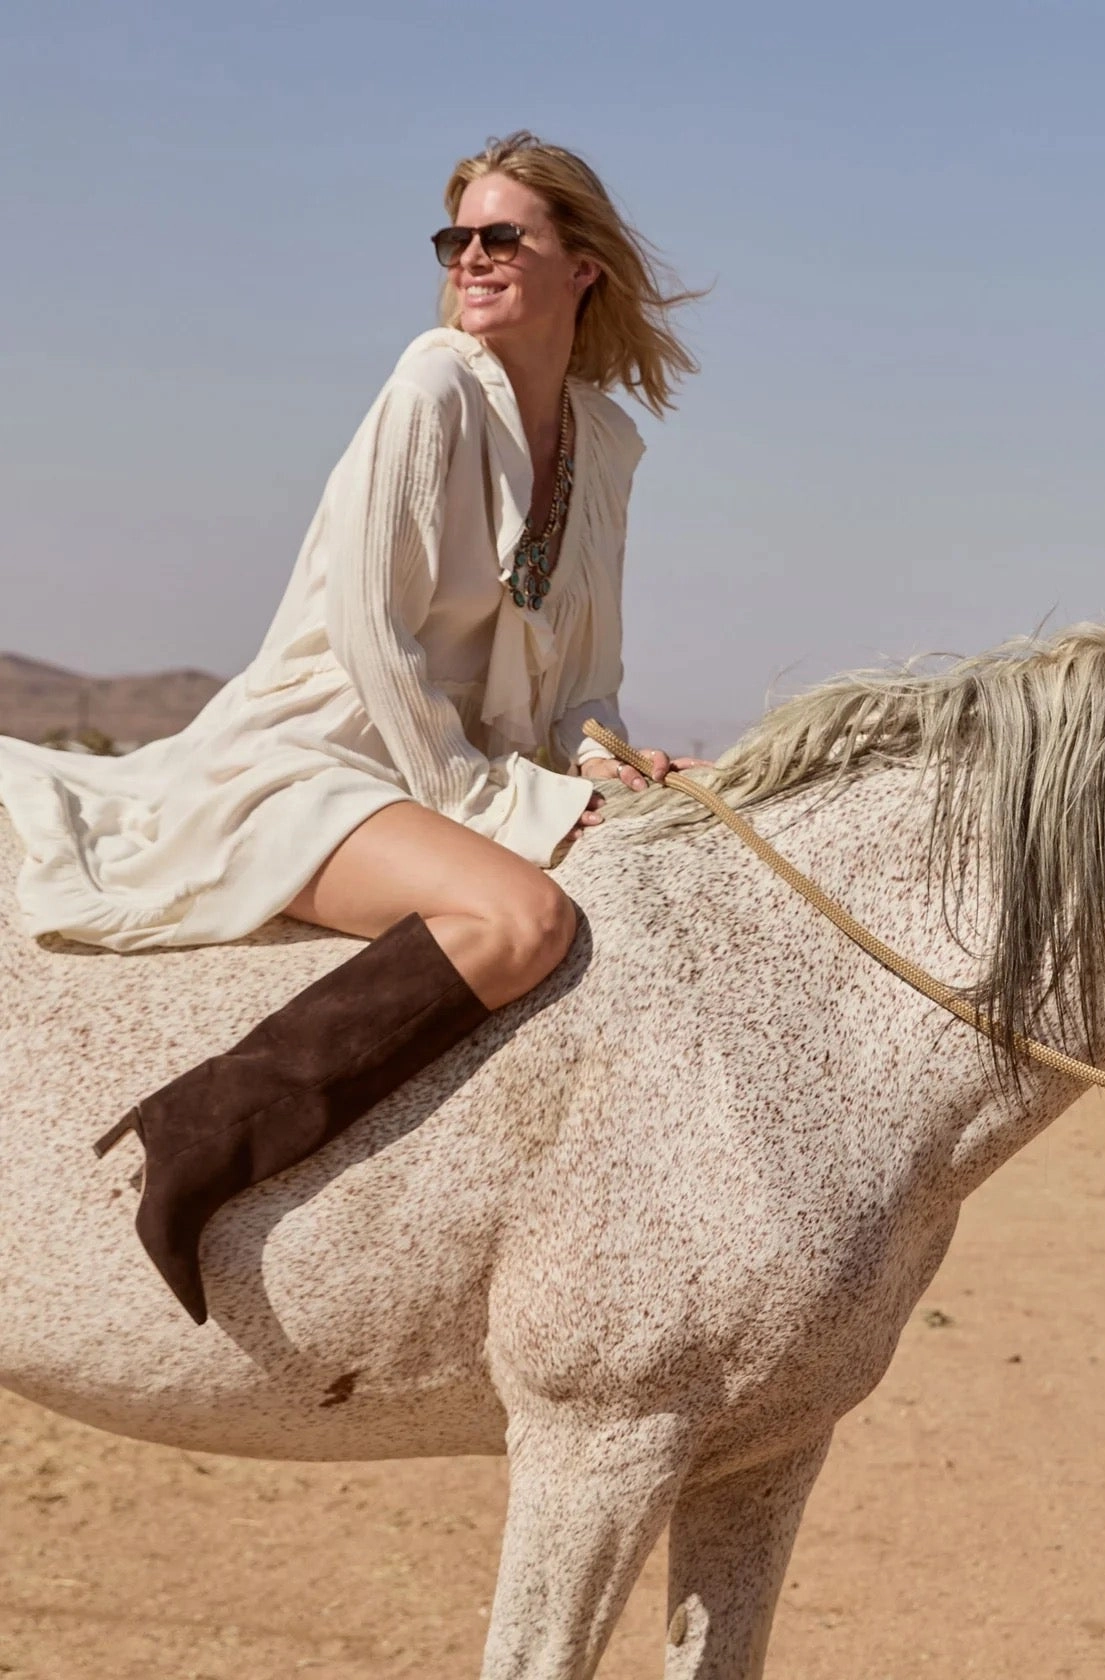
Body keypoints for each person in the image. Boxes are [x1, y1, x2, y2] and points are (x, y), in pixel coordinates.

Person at [0, 132, 701, 1323]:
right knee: (517, 916)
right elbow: (376, 636)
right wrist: (482, 802)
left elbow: (585, 672)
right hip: (317, 755)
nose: (471, 259)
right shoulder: (431, 387)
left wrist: (607, 757)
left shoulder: (610, 445)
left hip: (445, 767)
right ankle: (197, 1140)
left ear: (582, 265)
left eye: (502, 238)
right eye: (458, 240)